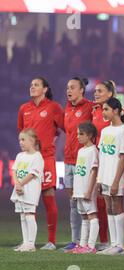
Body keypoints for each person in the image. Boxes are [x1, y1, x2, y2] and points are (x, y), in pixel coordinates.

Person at [17, 77, 64, 250]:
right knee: (28, 199)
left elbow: (65, 127)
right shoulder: (24, 109)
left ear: (45, 89)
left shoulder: (53, 107)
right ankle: (29, 241)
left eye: (36, 85)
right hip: (28, 159)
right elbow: (22, 131)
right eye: (31, 85)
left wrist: (55, 139)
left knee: (48, 196)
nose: (32, 87)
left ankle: (51, 241)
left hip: (47, 158)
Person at [62, 77, 95, 253]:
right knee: (73, 203)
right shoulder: (66, 108)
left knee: (86, 203)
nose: (69, 90)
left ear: (81, 90)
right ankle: (75, 240)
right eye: (68, 87)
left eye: (72, 87)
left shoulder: (90, 107)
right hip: (68, 160)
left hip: (82, 161)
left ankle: (88, 241)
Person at [96, 97, 124, 255]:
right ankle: (113, 242)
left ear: (115, 110)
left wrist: (117, 180)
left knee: (116, 207)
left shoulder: (123, 131)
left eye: (106, 109)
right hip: (104, 175)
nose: (103, 112)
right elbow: (101, 155)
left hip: (115, 175)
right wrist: (98, 178)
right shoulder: (104, 131)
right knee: (109, 208)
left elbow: (123, 157)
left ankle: (120, 245)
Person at [10, 129, 44, 252]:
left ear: (32, 140)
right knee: (23, 215)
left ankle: (31, 244)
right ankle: (25, 243)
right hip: (19, 189)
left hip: (30, 190)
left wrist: (20, 184)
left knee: (30, 215)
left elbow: (32, 174)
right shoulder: (20, 155)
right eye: (19, 140)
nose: (20, 142)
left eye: (23, 139)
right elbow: (14, 170)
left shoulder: (37, 156)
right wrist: (17, 184)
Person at [92, 80, 116, 250]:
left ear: (109, 94)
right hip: (99, 157)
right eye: (95, 90)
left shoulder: (113, 114)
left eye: (100, 91)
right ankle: (104, 240)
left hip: (112, 160)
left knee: (114, 202)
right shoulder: (95, 112)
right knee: (100, 201)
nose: (96, 93)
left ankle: (118, 241)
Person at [71, 122, 99, 254]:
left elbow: (93, 171)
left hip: (87, 189)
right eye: (77, 134)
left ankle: (91, 245)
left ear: (90, 135)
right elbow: (78, 172)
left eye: (81, 134)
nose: (78, 136)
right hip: (79, 189)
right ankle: (82, 244)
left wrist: (89, 190)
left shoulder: (93, 150)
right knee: (84, 217)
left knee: (92, 215)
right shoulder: (81, 151)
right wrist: (75, 191)